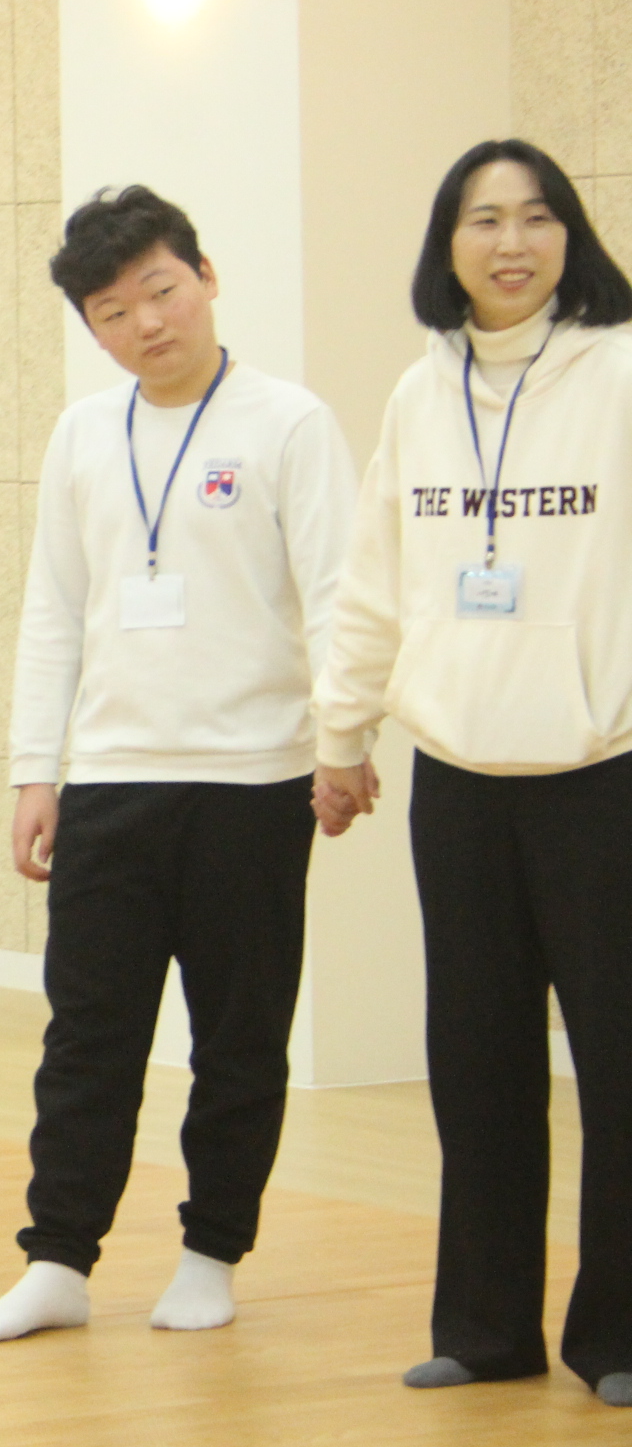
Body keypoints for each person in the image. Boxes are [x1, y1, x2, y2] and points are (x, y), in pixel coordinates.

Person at [0, 187, 357, 1343]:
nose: (145, 323)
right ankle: (57, 1261)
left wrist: (344, 741)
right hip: (112, 780)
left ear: (207, 277)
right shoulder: (83, 436)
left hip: (256, 783)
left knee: (238, 1039)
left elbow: (339, 597)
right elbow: (53, 610)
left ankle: (211, 1254)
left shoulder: (289, 424)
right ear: (93, 329)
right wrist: (36, 770)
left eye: (161, 291)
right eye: (113, 311)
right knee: (87, 1036)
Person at [314, 140, 632, 1407]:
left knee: (618, 1066)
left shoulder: (622, 371)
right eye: (485, 220)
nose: (512, 243)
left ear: (572, 237)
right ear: (448, 245)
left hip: (603, 773)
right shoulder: (418, 394)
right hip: (457, 776)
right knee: (478, 1062)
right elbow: (374, 582)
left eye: (538, 218)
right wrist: (342, 738)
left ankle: (618, 1335)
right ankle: (486, 1328)